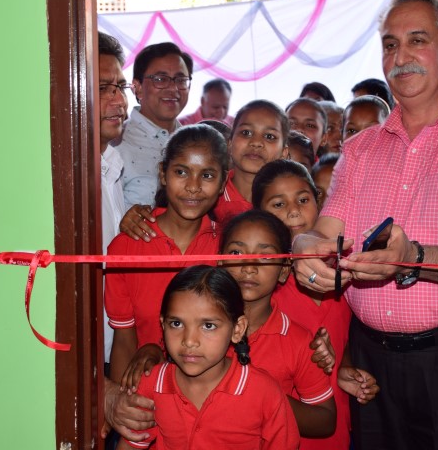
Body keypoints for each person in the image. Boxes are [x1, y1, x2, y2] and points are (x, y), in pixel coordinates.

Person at [292, 0, 438, 450]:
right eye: (390, 44)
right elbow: (324, 234)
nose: (402, 56)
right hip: (371, 364)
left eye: (418, 40)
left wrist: (412, 258)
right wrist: (305, 251)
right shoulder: (360, 149)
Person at [252, 160, 379, 450]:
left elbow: (344, 335)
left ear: (319, 203)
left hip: (334, 417)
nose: (294, 211)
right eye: (278, 204)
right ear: (260, 214)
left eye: (303, 199)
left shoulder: (345, 270)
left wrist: (345, 369)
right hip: (281, 422)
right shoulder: (263, 280)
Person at [115, 265, 300, 449]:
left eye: (208, 326)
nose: (189, 341)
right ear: (163, 324)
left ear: (237, 329)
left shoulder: (264, 393)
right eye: (177, 323)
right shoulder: (151, 383)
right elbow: (130, 445)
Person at [105, 125, 228, 394]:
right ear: (162, 173)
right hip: (147, 393)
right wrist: (120, 406)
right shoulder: (125, 248)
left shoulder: (228, 248)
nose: (193, 187)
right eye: (181, 172)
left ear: (222, 183)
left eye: (207, 175)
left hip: (213, 395)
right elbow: (124, 339)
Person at [219, 210, 338, 442]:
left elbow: (325, 420)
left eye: (265, 257)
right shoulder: (201, 327)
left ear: (284, 271)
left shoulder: (298, 341)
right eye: (236, 252)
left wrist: (266, 395)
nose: (249, 266)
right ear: (220, 261)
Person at [117, 99, 289, 238]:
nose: (256, 143)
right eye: (246, 133)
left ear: (284, 152)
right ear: (229, 143)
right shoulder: (205, 191)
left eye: (269, 136)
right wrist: (135, 218)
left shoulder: (289, 199)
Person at [118, 42, 193, 209]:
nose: (173, 89)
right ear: (137, 88)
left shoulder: (194, 143)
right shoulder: (116, 144)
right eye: (160, 79)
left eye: (181, 80)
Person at [98, 31, 131, 378]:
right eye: (105, 88)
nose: (119, 101)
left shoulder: (111, 164)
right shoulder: (67, 179)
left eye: (121, 88)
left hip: (114, 349)